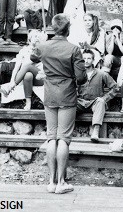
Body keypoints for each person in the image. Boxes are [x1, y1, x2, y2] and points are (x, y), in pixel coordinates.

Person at [30, 14, 87, 194]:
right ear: (68, 29)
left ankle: (51, 181)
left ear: (53, 28)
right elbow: (81, 78)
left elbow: (33, 58)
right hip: (67, 94)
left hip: (50, 94)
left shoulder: (43, 46)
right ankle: (61, 182)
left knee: (51, 137)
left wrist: (45, 49)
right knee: (63, 138)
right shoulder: (73, 49)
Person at [77, 49, 117, 142]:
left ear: (93, 60)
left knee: (101, 101)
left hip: (95, 102)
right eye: (84, 59)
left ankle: (95, 132)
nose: (86, 61)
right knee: (69, 102)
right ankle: (65, 131)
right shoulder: (78, 75)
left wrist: (105, 98)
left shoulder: (101, 73)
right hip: (81, 102)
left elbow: (115, 87)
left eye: (89, 58)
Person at [3, 30, 47, 110]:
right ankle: (28, 102)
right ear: (29, 39)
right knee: (28, 75)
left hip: (40, 78)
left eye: (38, 37)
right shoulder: (23, 51)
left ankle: (11, 87)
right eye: (35, 37)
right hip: (25, 79)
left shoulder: (41, 50)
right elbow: (16, 68)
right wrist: (12, 81)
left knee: (28, 67)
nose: (37, 39)